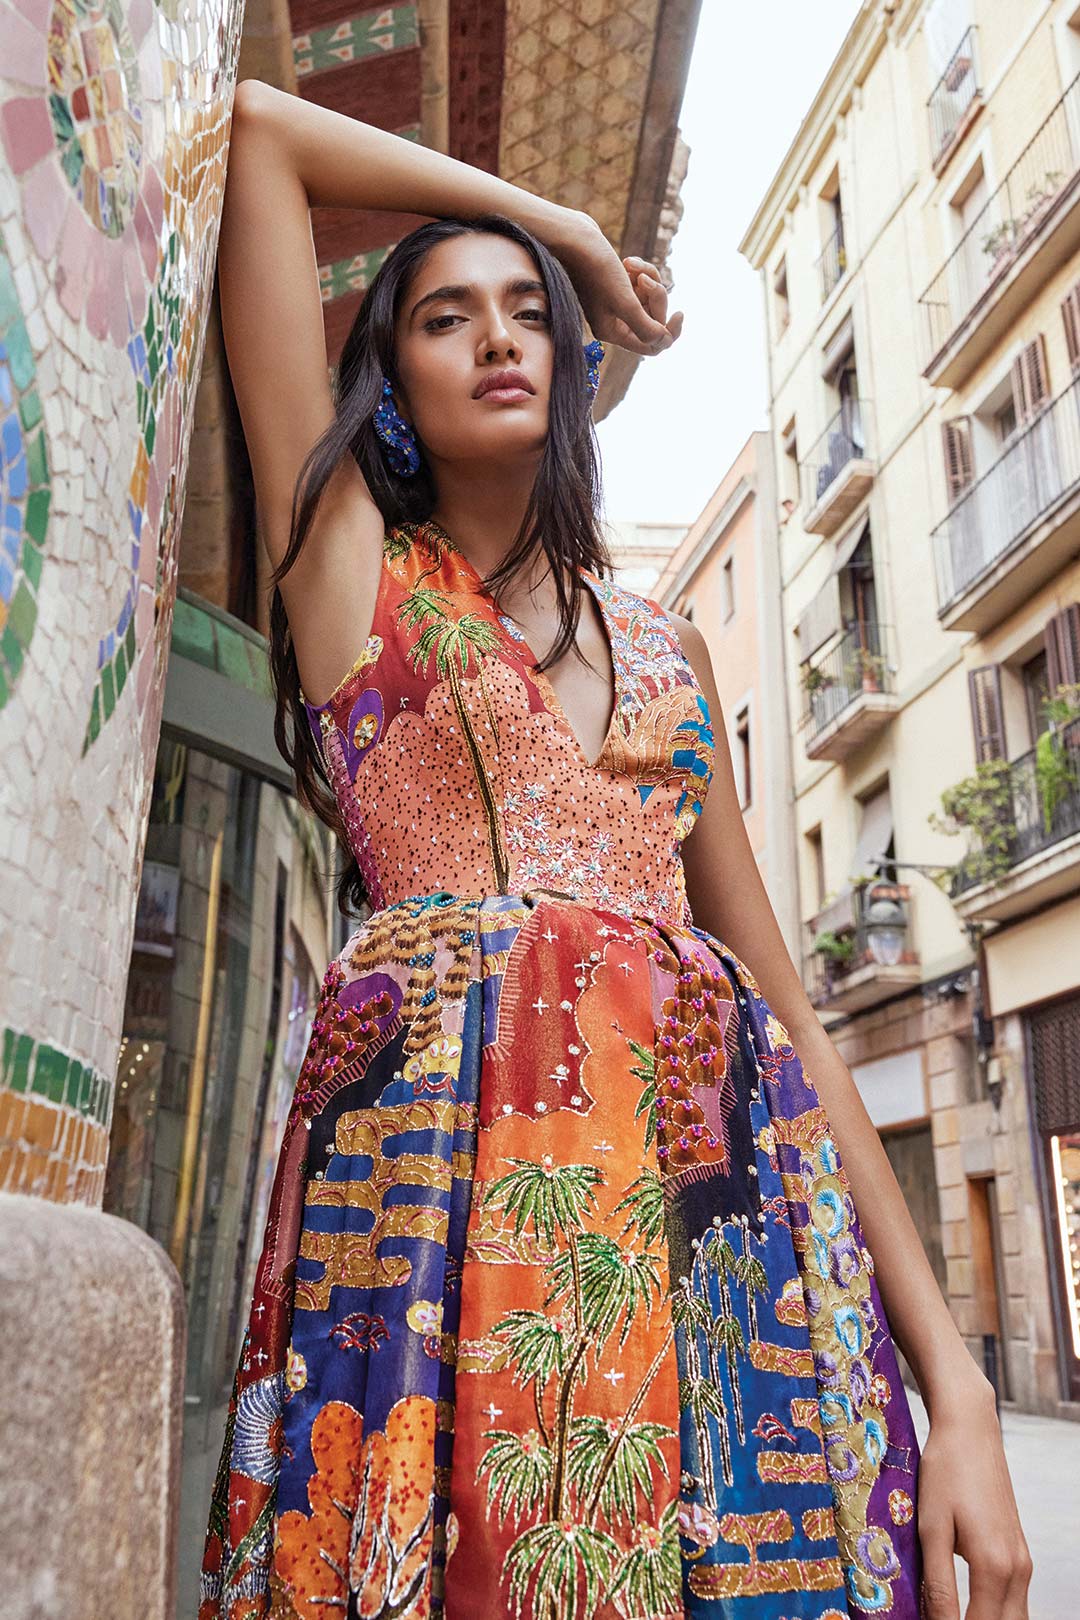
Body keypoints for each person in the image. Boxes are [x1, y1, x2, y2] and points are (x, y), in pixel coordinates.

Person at [198, 78, 1032, 1620]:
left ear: (573, 371)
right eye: (447, 316)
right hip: (443, 1266)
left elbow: (786, 1007)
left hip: (724, 1249)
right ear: (386, 377)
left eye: (529, 310)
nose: (501, 334)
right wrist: (560, 230)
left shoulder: (668, 656)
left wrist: (962, 1394)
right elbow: (259, 135)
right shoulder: (354, 583)